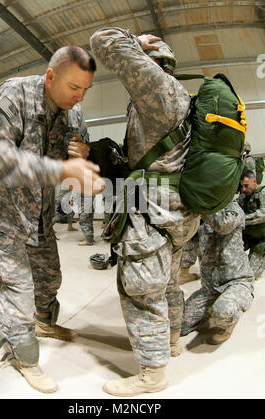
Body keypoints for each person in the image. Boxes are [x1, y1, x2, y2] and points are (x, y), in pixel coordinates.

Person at [0, 45, 105, 393]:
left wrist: (84, 158)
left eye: (85, 90)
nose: (79, 97)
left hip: (39, 215)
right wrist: (61, 168)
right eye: (74, 87)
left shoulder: (73, 114)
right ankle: (23, 355)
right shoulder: (15, 94)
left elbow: (76, 155)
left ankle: (43, 323)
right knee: (19, 289)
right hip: (2, 214)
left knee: (50, 280)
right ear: (50, 77)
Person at [90, 28, 200, 397]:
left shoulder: (157, 87)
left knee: (141, 290)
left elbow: (103, 40)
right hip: (177, 212)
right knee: (167, 282)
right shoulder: (179, 96)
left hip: (153, 210)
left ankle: (152, 375)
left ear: (154, 64)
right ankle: (170, 344)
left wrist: (137, 41)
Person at [181, 201, 254, 344]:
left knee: (223, 311)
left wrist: (201, 204)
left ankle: (227, 324)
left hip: (236, 282)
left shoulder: (233, 209)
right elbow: (186, 240)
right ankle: (213, 307)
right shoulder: (200, 218)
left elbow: (222, 224)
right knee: (179, 325)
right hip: (210, 288)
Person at [238, 170, 265, 279]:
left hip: (261, 240)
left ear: (254, 181)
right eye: (242, 186)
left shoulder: (263, 193)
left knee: (250, 275)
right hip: (248, 237)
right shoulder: (244, 196)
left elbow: (263, 214)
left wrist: (243, 219)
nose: (244, 189)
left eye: (246, 186)